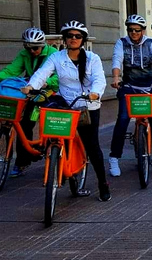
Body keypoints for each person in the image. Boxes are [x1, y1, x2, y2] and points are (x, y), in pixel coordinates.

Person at [22, 22, 110, 201]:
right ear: (65, 39)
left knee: (92, 146)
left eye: (78, 36)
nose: (73, 39)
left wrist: (95, 93)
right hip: (65, 103)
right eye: (70, 36)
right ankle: (58, 160)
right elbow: (42, 73)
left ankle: (103, 183)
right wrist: (31, 86)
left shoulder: (93, 58)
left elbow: (99, 79)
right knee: (55, 132)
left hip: (87, 105)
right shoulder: (57, 57)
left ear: (83, 39)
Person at [109, 14, 152, 176]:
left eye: (137, 30)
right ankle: (114, 158)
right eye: (130, 30)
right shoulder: (121, 43)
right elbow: (117, 60)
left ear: (143, 31)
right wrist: (116, 78)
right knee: (123, 119)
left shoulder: (150, 43)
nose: (134, 33)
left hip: (151, 86)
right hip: (130, 86)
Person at [0, 28, 58, 177]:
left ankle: (52, 150)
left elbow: (59, 77)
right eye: (28, 47)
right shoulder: (24, 54)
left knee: (42, 121)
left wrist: (46, 83)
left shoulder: (53, 54)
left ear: (43, 45)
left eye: (35, 48)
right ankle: (22, 162)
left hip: (49, 92)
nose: (32, 51)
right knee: (23, 122)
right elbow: (11, 71)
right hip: (30, 92)